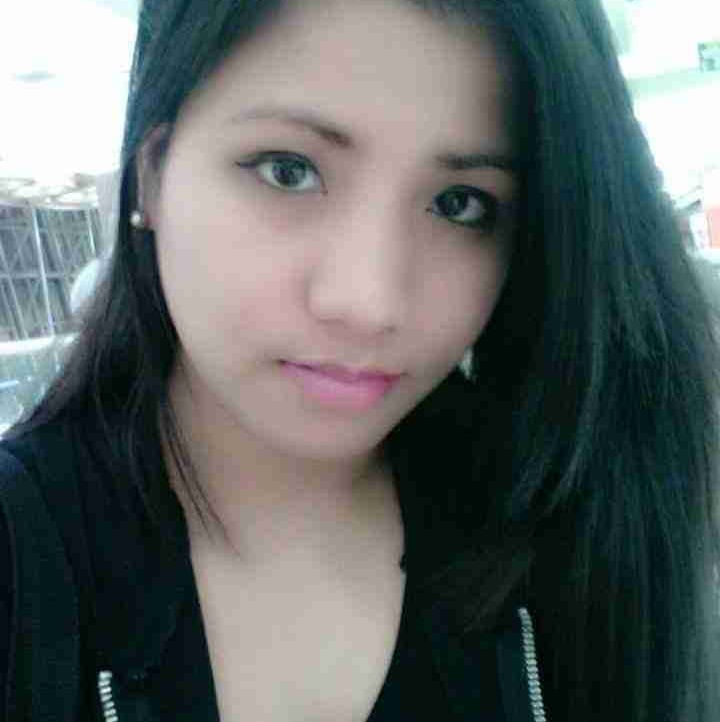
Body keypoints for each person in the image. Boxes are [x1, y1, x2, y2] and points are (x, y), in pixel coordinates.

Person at [1, 0, 719, 720]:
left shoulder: (575, 522)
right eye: (288, 170)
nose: (369, 303)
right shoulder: (24, 553)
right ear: (153, 173)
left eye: (459, 203)